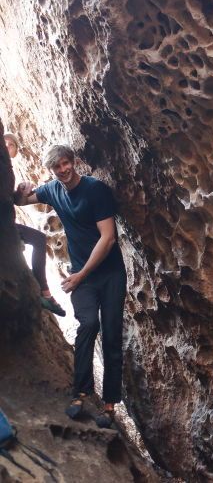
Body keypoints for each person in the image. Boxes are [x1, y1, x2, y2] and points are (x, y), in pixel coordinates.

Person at [14, 145, 127, 429]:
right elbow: (22, 199)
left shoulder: (95, 190)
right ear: (52, 171)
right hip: (82, 277)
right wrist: (20, 190)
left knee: (112, 332)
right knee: (88, 325)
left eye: (66, 164)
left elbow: (109, 238)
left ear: (73, 162)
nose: (63, 170)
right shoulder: (53, 190)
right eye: (57, 168)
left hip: (110, 274)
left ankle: (110, 405)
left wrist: (80, 275)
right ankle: (80, 393)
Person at [4, 132, 66, 317]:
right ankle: (45, 292)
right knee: (37, 240)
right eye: (4, 143)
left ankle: (44, 290)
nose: (7, 146)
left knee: (39, 239)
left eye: (12, 145)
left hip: (6, 222)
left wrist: (21, 193)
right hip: (3, 224)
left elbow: (11, 200)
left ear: (16, 152)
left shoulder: (8, 171)